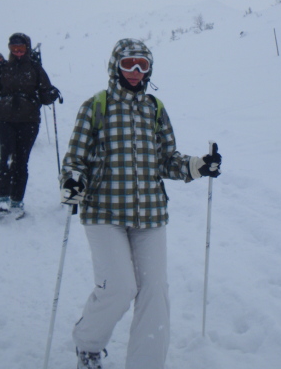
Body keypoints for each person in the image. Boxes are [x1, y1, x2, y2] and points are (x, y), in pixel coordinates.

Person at [59, 38, 221, 369]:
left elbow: (166, 160)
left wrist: (197, 165)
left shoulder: (155, 109)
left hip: (150, 214)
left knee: (155, 292)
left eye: (142, 65)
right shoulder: (95, 107)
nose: (135, 71)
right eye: (128, 64)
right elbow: (75, 159)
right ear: (115, 66)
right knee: (119, 288)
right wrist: (73, 181)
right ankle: (88, 344)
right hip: (103, 212)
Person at [0, 33, 61, 218]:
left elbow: (44, 95)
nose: (18, 52)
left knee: (21, 161)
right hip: (4, 118)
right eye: (14, 48)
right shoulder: (2, 68)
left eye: (21, 48)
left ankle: (16, 200)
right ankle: (1, 198)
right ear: (9, 49)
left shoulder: (36, 69)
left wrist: (52, 94)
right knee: (5, 157)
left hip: (28, 120)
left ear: (27, 48)